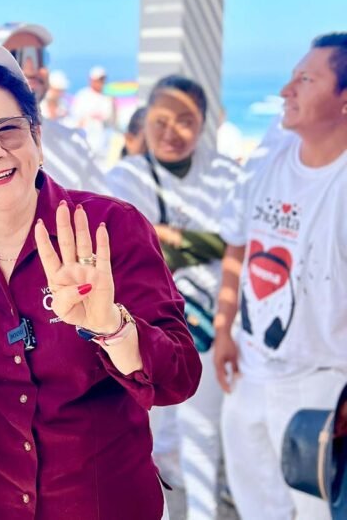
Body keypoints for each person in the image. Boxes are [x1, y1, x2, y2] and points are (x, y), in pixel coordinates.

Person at [0, 41, 201, 519]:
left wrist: (112, 328)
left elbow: (180, 377)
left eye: (8, 130)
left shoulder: (111, 229)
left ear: (37, 139)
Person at [214, 32, 347, 520]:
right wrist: (224, 328)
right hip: (250, 370)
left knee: (317, 513)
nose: (286, 90)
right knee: (256, 508)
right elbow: (237, 242)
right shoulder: (271, 155)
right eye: (292, 77)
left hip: (322, 384)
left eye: (306, 79)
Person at [106, 75, 242, 520]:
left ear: (204, 123)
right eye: (161, 119)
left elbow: (240, 242)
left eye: (186, 120)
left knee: (202, 434)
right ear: (145, 118)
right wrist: (215, 243)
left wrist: (172, 238)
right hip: (141, 330)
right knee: (141, 436)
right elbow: (134, 249)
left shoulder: (224, 174)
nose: (171, 131)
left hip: (209, 326)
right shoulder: (125, 176)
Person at [0, 22, 108, 224]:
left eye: (39, 56)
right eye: (17, 57)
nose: (31, 67)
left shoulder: (73, 142)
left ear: (37, 138)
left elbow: (104, 215)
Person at [71, 65, 117, 162]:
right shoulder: (82, 95)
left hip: (101, 144)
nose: (101, 83)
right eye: (98, 80)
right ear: (91, 80)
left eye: (102, 80)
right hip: (84, 143)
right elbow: (76, 118)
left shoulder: (107, 98)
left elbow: (110, 121)